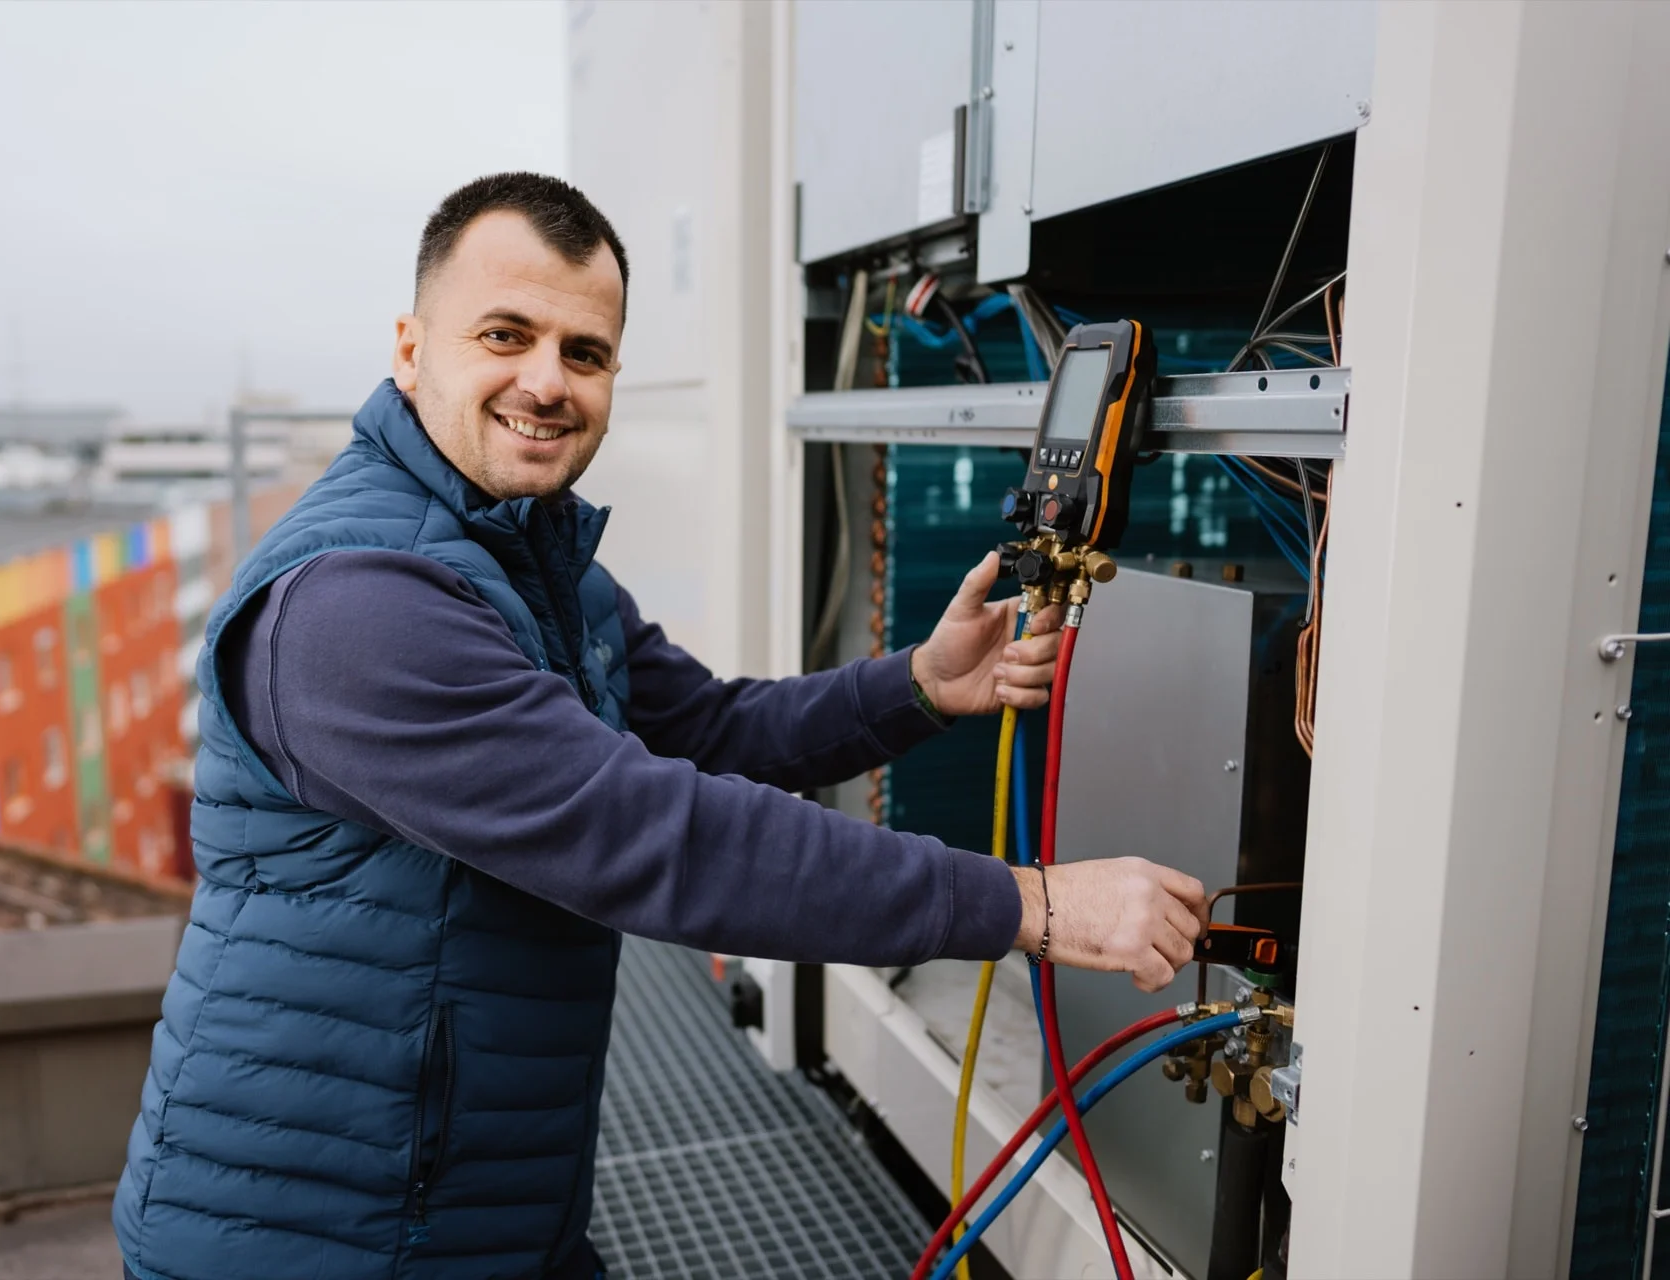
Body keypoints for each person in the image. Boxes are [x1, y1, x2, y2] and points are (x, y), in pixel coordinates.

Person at [114, 173, 1210, 1280]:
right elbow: (649, 830)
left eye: (583, 352)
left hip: (470, 1203)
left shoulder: (531, 559)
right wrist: (1029, 902)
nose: (546, 381)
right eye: (506, 334)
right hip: (306, 1235)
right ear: (411, 348)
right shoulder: (359, 604)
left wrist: (916, 685)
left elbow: (712, 728)